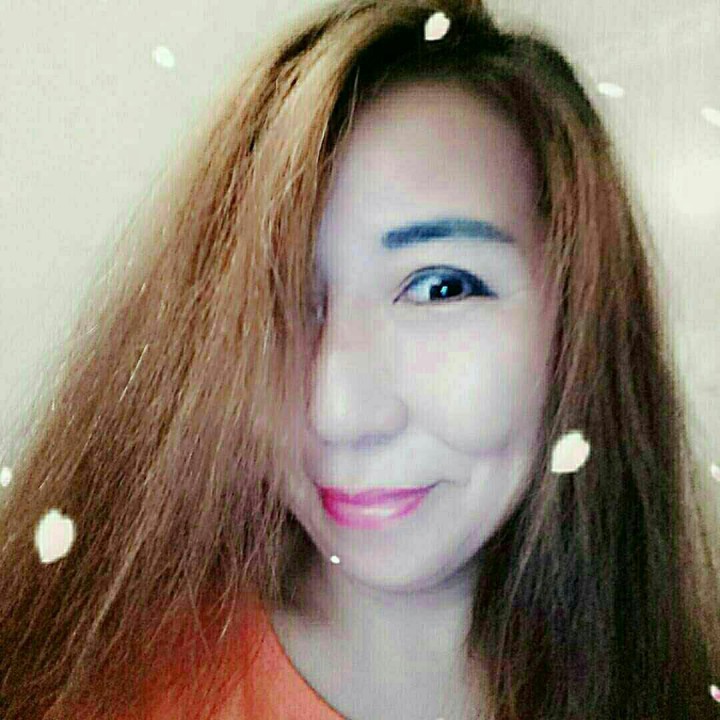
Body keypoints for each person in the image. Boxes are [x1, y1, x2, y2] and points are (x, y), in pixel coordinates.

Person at [1, 1, 719, 718]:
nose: (337, 411)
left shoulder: (674, 678)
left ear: (583, 315)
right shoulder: (99, 695)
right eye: (274, 295)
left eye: (440, 288)